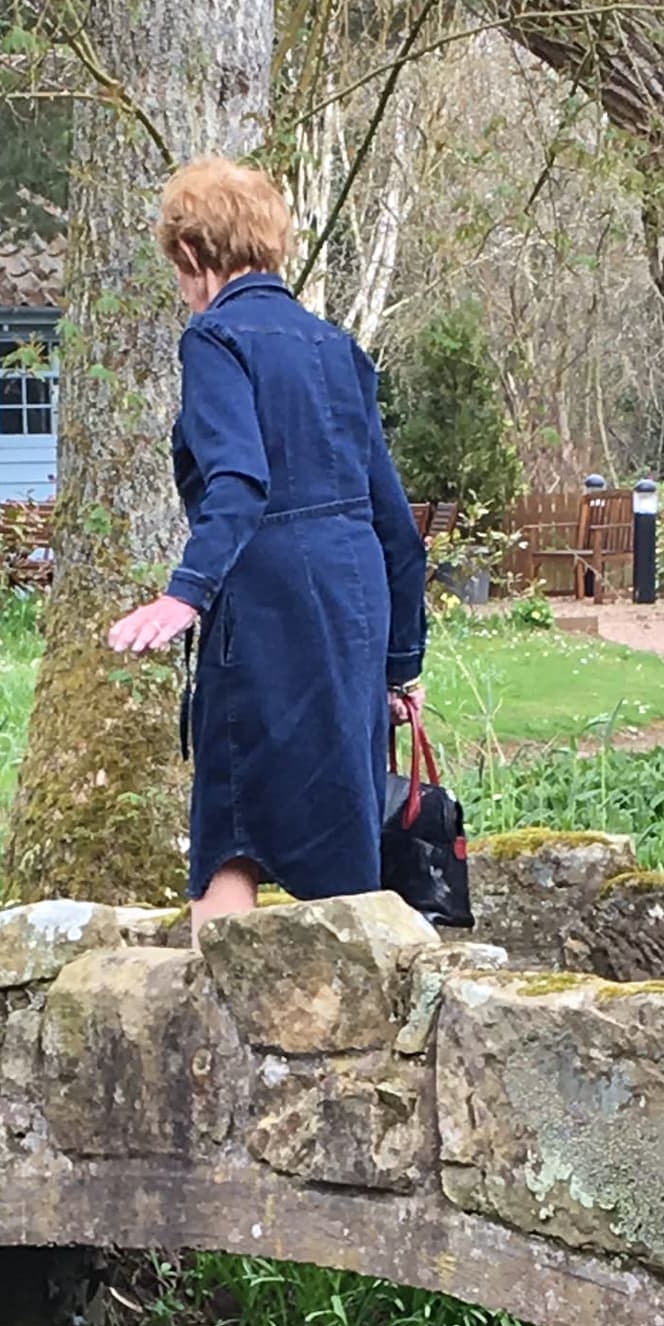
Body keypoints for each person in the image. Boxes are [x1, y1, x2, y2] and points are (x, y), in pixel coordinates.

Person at [105, 158, 429, 926]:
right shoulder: (336, 347)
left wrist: (187, 591)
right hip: (354, 603)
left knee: (232, 830)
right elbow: (397, 528)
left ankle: (222, 1025)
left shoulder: (214, 340)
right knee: (347, 823)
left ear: (191, 256)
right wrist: (401, 665)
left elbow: (239, 481)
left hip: (265, 601)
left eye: (177, 268)